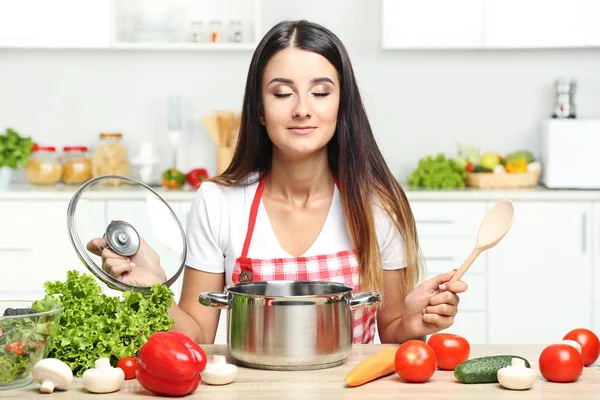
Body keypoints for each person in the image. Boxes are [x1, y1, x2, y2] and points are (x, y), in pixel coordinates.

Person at [87, 20, 467, 345]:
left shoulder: (377, 204)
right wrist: (151, 287)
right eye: (282, 93)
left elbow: (393, 331)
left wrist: (416, 325)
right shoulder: (219, 201)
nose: (302, 108)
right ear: (259, 110)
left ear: (341, 104)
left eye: (320, 92)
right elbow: (198, 334)